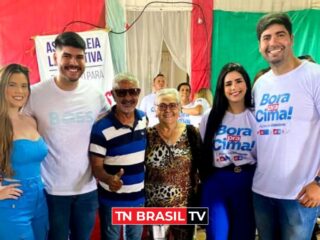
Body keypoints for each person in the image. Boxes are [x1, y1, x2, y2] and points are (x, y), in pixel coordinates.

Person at [24, 32, 109, 240]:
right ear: (55, 58)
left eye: (79, 57)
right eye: (67, 56)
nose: (73, 62)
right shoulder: (35, 94)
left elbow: (109, 126)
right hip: (51, 190)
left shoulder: (95, 94)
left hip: (87, 189)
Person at [253, 12, 320, 240]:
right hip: (262, 192)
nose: (273, 43)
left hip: (300, 195)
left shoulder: (314, 75)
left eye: (280, 35)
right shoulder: (260, 85)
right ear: (260, 45)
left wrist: (319, 183)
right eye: (266, 37)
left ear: (291, 38)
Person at [199, 63, 256, 240]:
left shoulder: (256, 115)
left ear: (247, 84)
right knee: (217, 235)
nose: (234, 87)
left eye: (239, 81)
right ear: (222, 88)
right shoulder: (210, 116)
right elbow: (203, 148)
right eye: (228, 83)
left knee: (243, 235)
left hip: (249, 182)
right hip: (217, 183)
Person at [89, 73, 147, 240]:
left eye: (133, 91)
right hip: (111, 201)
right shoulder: (101, 128)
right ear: (113, 94)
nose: (128, 97)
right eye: (121, 93)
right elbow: (96, 167)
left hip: (137, 198)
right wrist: (109, 179)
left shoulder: (144, 119)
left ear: (138, 93)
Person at [145, 88, 202, 240]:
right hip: (155, 207)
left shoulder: (192, 133)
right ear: (155, 110)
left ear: (179, 108)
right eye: (162, 106)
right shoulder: (147, 135)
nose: (168, 110)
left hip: (185, 206)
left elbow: (202, 168)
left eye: (173, 105)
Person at [0, 64, 48, 240]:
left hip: (39, 200)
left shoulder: (31, 120)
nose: (19, 90)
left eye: (23, 85)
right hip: (12, 203)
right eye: (12, 84)